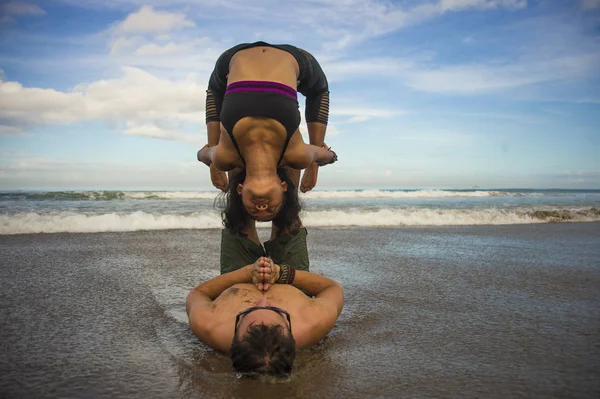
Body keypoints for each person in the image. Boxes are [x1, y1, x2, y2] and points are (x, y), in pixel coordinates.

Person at [197, 41, 337, 224]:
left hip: (233, 57)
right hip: (295, 58)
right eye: (272, 209)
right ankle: (284, 228)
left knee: (223, 158)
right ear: (283, 186)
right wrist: (315, 163)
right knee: (319, 92)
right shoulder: (297, 154)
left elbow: (203, 153)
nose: (262, 208)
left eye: (252, 210)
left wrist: (214, 164)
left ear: (240, 189)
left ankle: (245, 232)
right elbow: (326, 155)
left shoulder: (225, 156)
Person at [186, 256, 344, 377]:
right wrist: (282, 273)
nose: (262, 299)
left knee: (239, 224)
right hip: (290, 278)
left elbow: (198, 293)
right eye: (276, 310)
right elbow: (332, 287)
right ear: (290, 331)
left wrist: (246, 272)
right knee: (288, 224)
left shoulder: (210, 325)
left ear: (234, 336)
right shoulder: (312, 322)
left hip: (236, 275)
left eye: (249, 309)